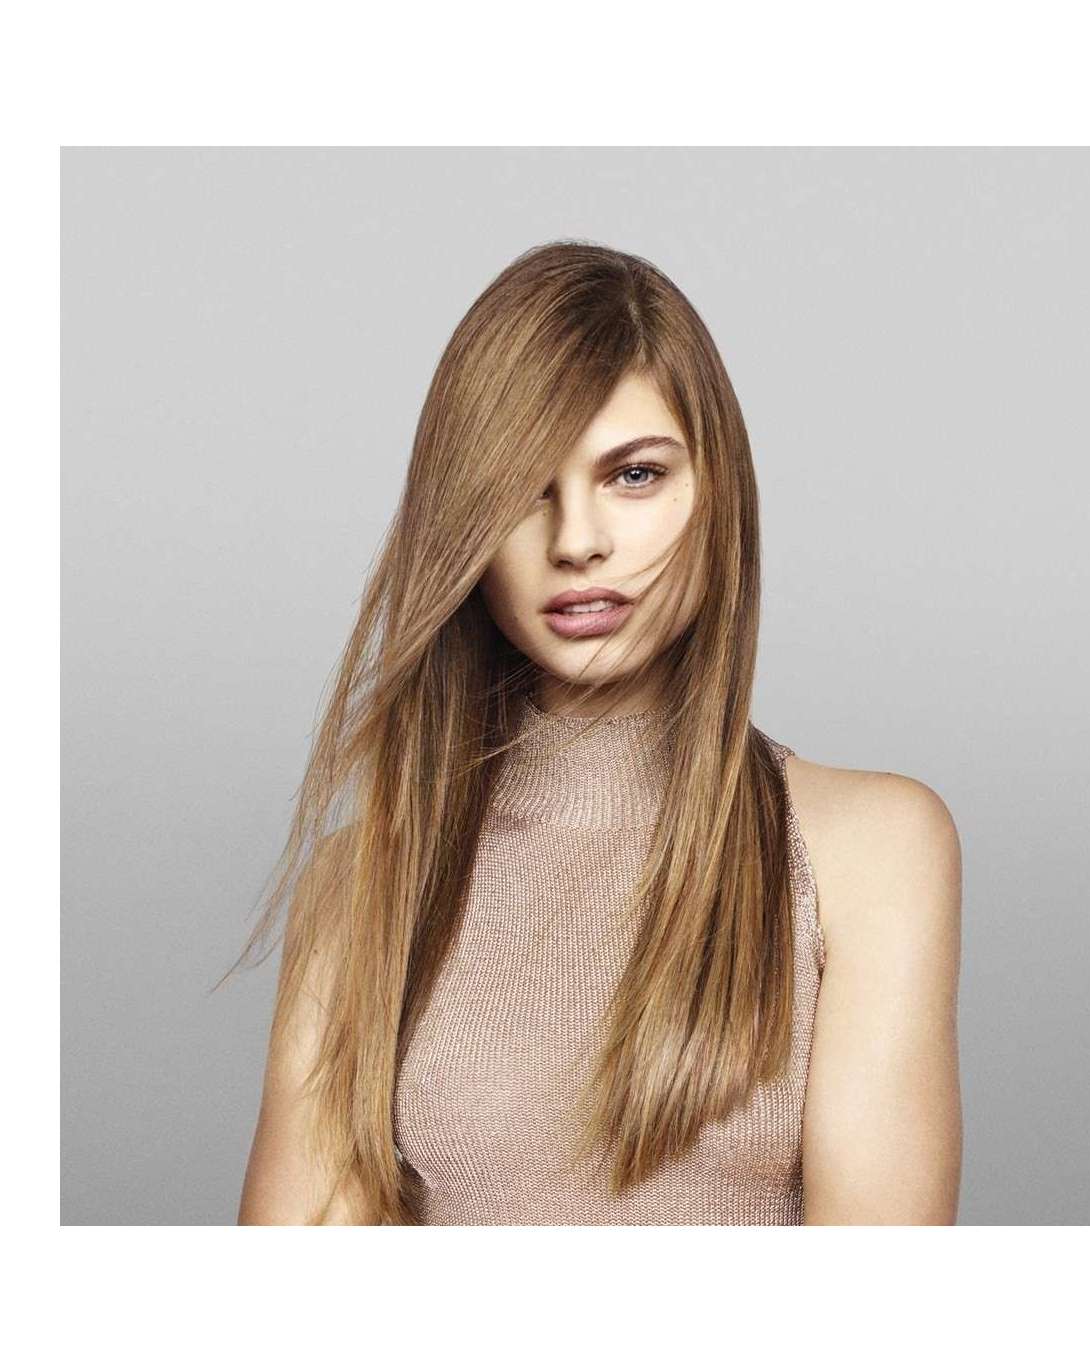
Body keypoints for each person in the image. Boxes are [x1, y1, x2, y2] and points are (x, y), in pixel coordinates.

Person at [232, 240, 963, 1225]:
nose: (577, 541)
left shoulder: (866, 851)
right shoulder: (364, 886)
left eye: (635, 475)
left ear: (718, 492)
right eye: (523, 491)